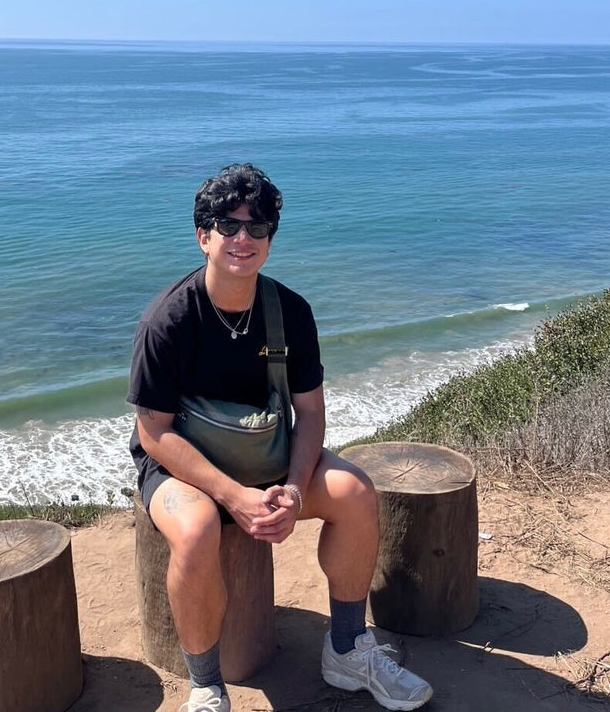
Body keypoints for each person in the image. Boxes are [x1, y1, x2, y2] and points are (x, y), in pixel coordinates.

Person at [127, 164, 433, 712]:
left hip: (267, 457)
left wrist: (292, 490)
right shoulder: (167, 321)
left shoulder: (290, 312)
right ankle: (206, 685)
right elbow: (154, 434)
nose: (243, 238)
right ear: (203, 236)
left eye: (258, 226)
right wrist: (233, 496)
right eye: (228, 225)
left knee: (355, 492)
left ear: (270, 238)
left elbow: (309, 414)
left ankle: (348, 649)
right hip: (183, 468)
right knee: (196, 530)